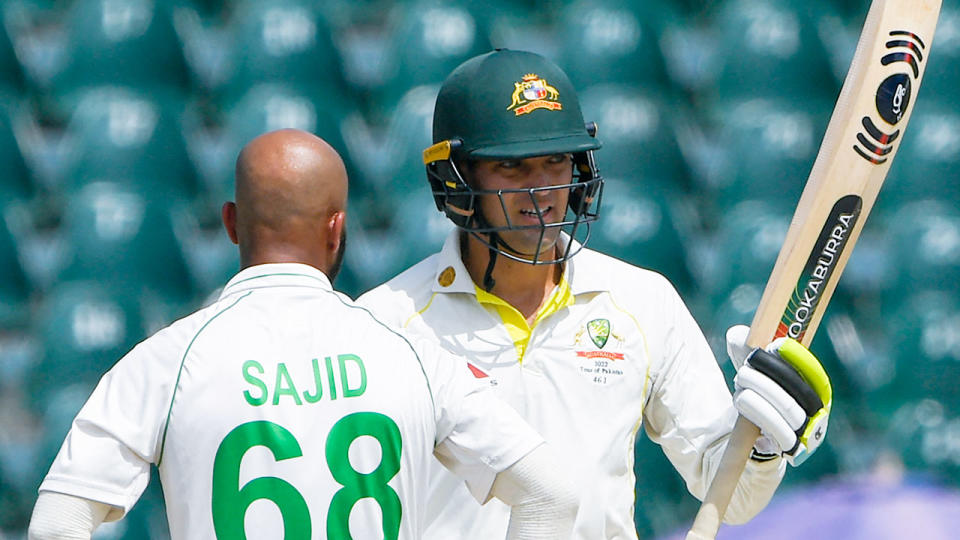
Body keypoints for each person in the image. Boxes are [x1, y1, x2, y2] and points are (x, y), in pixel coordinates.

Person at [357, 49, 833, 539]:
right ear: (456, 180)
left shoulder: (642, 301)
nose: (541, 189)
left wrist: (760, 445)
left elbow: (727, 495)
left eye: (556, 161)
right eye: (511, 167)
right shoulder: (386, 322)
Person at [27, 129, 580, 539]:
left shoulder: (165, 361)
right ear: (337, 229)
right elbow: (551, 494)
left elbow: (57, 524)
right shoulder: (410, 352)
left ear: (231, 224)